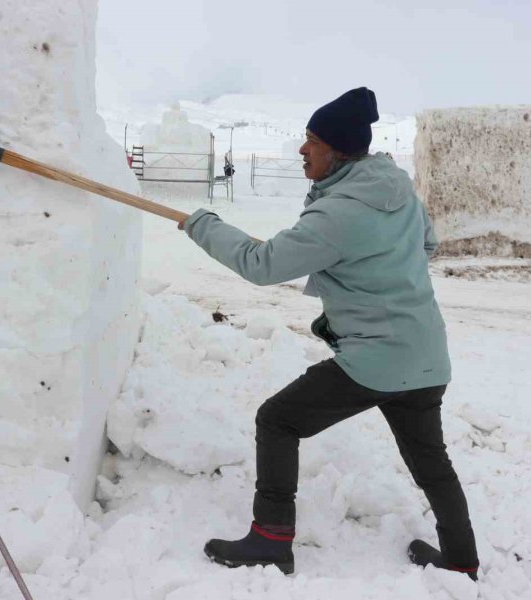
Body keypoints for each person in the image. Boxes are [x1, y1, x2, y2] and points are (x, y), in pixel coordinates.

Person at [177, 87, 479, 579]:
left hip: (377, 362)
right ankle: (462, 560)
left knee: (278, 420)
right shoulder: (395, 189)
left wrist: (203, 224)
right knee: (431, 462)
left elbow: (262, 265)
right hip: (425, 355)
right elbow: (427, 244)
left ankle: (271, 540)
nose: (302, 150)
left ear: (337, 151)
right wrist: (369, 268)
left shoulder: (339, 212)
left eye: (311, 141)